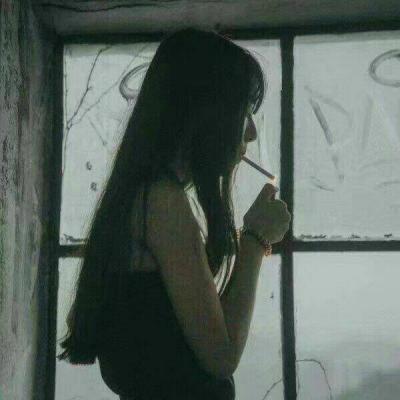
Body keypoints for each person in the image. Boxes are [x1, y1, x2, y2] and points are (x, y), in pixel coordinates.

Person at [57, 27, 291, 399]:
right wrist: (255, 239)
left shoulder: (143, 196)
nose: (250, 132)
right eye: (243, 111)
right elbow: (221, 357)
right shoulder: (162, 202)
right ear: (205, 110)